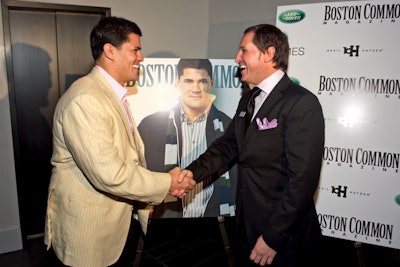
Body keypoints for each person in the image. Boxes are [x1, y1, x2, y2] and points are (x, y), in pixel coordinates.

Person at [44, 16, 195, 267]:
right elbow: (110, 174)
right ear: (110, 51)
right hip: (89, 235)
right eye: (135, 49)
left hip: (115, 228)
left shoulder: (110, 95)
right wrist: (167, 182)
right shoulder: (86, 99)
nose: (141, 57)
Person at [179, 24, 325, 266]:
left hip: (283, 239)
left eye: (243, 51)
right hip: (246, 227)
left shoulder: (302, 103)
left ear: (268, 54)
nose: (237, 59)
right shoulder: (249, 98)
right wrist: (192, 173)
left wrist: (273, 238)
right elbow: (227, 146)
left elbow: (303, 180)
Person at [138, 58, 237, 218]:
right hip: (164, 227)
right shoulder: (150, 126)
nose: (196, 88)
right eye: (189, 81)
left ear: (211, 82)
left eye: (202, 81)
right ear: (177, 82)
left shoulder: (229, 127)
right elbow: (138, 177)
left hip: (215, 227)